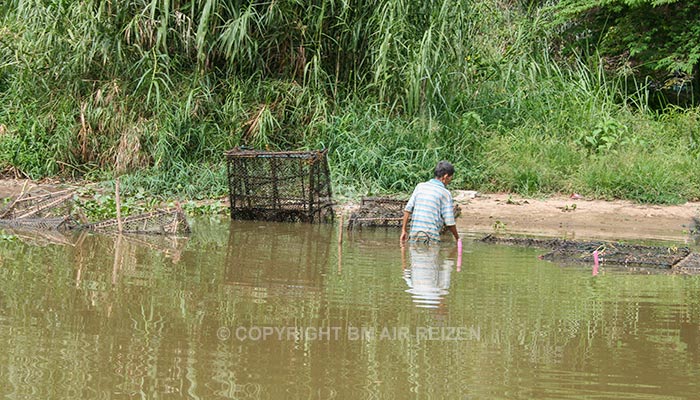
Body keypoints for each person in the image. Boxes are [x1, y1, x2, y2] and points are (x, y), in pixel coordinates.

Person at [400, 160, 460, 244]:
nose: (450, 181)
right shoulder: (445, 193)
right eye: (450, 178)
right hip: (431, 237)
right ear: (445, 177)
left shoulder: (420, 187)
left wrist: (404, 230)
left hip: (414, 235)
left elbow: (407, 209)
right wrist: (458, 238)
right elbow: (449, 221)